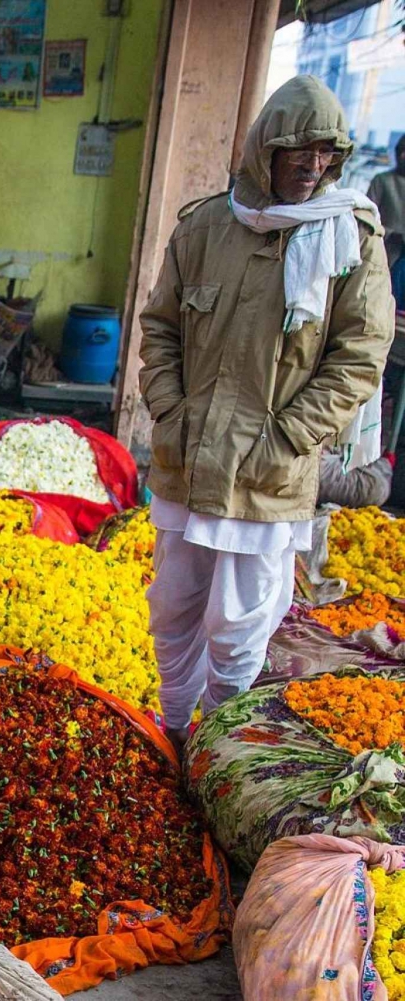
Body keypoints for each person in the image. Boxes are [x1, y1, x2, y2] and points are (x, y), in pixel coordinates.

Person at [139, 75, 393, 752]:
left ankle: (216, 742)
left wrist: (291, 435)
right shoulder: (207, 224)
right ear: (264, 153)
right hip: (188, 457)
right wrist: (168, 407)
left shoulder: (349, 238)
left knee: (239, 620)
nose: (312, 166)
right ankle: (172, 731)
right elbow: (161, 326)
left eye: (325, 154)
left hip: (267, 471)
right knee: (174, 607)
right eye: (297, 152)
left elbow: (361, 353)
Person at [368, 134, 405, 266]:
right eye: (402, 152)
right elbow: (366, 221)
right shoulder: (382, 181)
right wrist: (392, 235)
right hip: (385, 255)